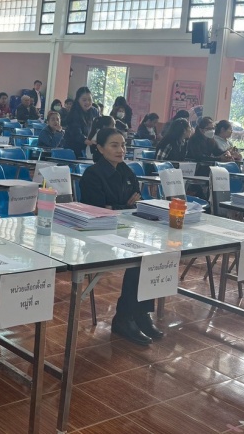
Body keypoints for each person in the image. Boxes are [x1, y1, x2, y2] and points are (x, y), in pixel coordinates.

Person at [80, 128, 161, 346]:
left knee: (150, 254)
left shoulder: (127, 171)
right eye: (114, 145)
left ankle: (141, 314)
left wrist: (117, 206)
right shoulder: (93, 175)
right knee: (138, 259)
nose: (121, 150)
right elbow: (97, 209)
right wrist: (122, 205)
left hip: (123, 229)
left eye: (123, 145)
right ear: (100, 148)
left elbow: (136, 201)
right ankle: (124, 318)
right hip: (97, 234)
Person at [62, 87, 99, 158]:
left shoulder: (94, 111)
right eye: (84, 100)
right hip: (73, 148)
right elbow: (76, 133)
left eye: (89, 100)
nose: (87, 102)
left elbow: (99, 126)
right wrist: (88, 141)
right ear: (78, 100)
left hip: (87, 147)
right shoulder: (74, 113)